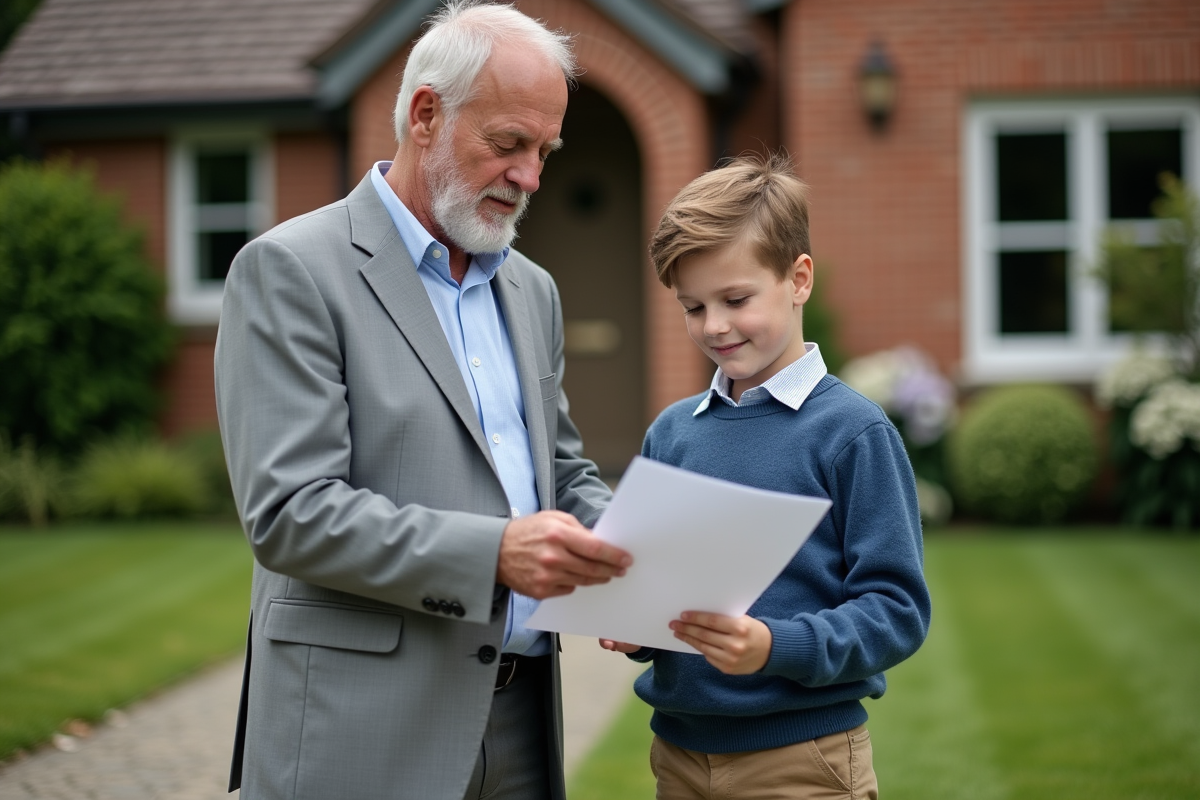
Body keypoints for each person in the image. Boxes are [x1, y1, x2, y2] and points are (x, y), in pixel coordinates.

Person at [213, 3, 632, 799]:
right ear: (425, 114)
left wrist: (626, 550)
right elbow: (291, 511)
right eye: (508, 144)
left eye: (545, 152)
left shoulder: (533, 289)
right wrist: (495, 555)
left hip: (520, 727)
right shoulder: (290, 270)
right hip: (360, 727)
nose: (531, 177)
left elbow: (562, 470)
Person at [600, 155, 931, 799]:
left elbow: (896, 611)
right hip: (677, 754)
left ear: (798, 278)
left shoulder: (853, 435)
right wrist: (632, 623)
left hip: (802, 758)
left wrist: (775, 645)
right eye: (693, 306)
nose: (714, 326)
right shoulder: (673, 434)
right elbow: (662, 587)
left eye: (735, 299)